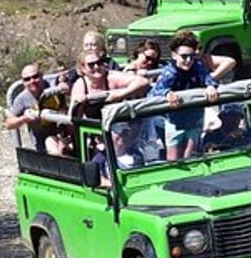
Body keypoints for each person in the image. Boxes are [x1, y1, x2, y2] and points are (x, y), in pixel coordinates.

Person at [149, 32, 220, 160]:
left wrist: (210, 86)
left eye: (192, 57)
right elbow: (155, 91)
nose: (188, 61)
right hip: (175, 120)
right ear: (174, 55)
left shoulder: (198, 67)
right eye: (184, 56)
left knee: (190, 155)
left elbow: (208, 78)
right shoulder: (169, 72)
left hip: (195, 118)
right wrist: (167, 93)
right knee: (174, 159)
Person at [69, 50, 148, 120]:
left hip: (118, 122)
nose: (96, 67)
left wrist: (120, 94)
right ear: (83, 68)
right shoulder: (81, 85)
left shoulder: (111, 77)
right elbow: (73, 117)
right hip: (95, 126)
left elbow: (143, 81)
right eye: (91, 64)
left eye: (99, 63)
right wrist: (81, 102)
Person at [5, 62, 65, 153]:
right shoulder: (22, 98)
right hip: (43, 142)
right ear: (23, 82)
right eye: (27, 79)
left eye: (35, 77)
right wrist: (24, 119)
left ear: (41, 76)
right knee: (52, 145)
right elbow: (9, 123)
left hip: (63, 133)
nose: (32, 81)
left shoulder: (52, 88)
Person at [92, 120, 149, 185]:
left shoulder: (137, 155)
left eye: (125, 132)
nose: (121, 135)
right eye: (117, 131)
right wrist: (109, 183)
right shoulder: (100, 159)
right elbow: (96, 179)